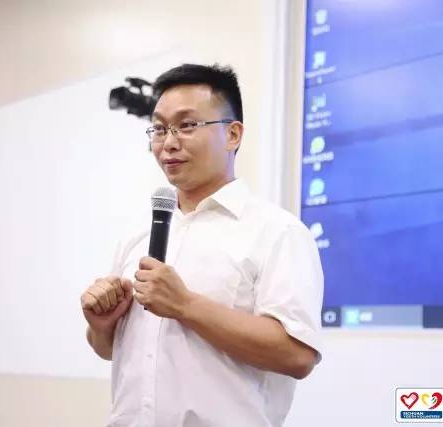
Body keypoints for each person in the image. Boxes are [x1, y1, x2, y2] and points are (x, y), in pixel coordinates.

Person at [80, 63, 324, 427]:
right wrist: (102, 326)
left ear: (233, 134)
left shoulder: (278, 232)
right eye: (159, 128)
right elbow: (110, 351)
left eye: (187, 125)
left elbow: (297, 355)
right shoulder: (136, 234)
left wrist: (185, 305)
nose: (168, 142)